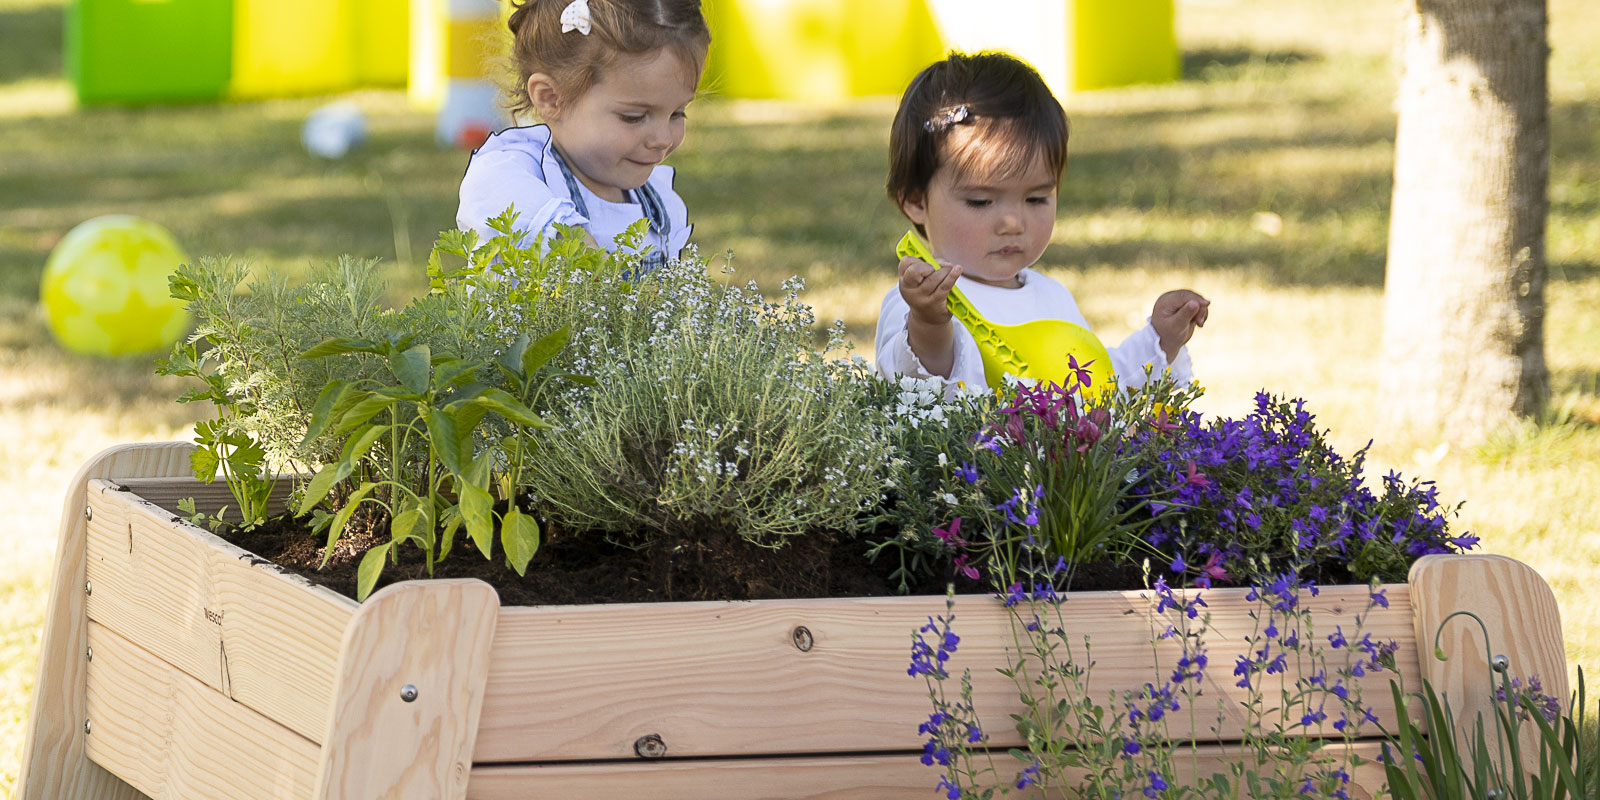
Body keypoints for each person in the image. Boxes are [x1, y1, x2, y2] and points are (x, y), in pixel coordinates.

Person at [874, 52, 1209, 393]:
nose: (1012, 222)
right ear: (916, 201)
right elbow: (915, 393)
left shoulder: (1052, 297)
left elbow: (1096, 387)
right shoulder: (914, 304)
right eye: (980, 201)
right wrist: (929, 325)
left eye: (1036, 198)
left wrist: (1160, 342)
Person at [456, 0, 709, 272]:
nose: (663, 139)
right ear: (551, 98)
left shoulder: (659, 205)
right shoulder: (518, 170)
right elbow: (498, 196)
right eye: (633, 117)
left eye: (677, 113)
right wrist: (574, 241)